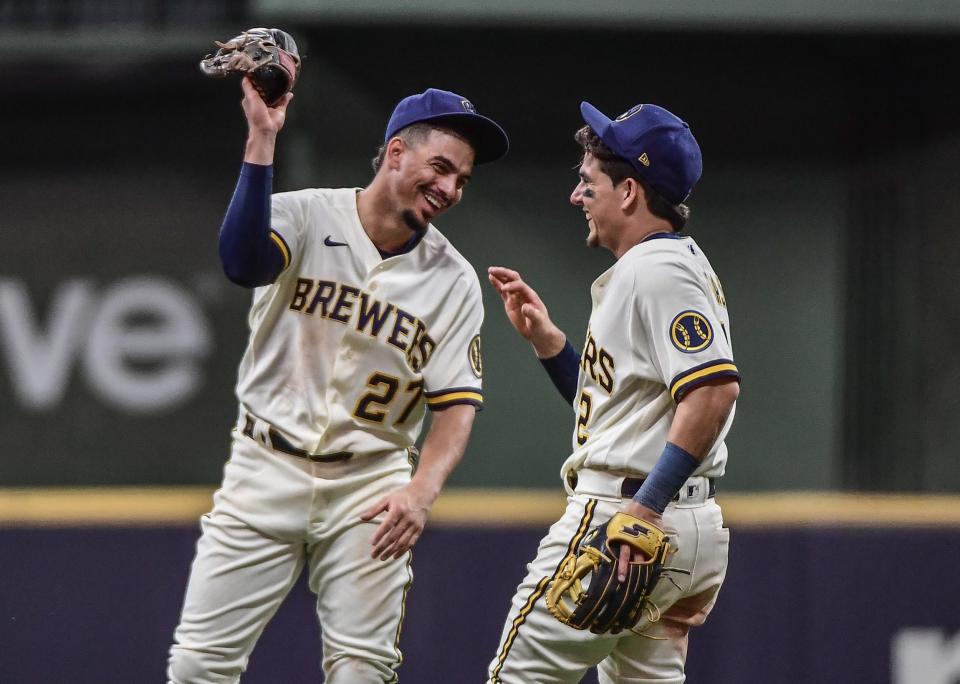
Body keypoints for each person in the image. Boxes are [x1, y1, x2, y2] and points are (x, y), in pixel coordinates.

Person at [167, 77, 508, 683]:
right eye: (441, 167)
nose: (450, 188)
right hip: (264, 465)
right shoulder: (303, 214)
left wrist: (422, 491)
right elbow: (242, 262)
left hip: (370, 484)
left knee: (363, 671)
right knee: (199, 666)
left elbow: (457, 404)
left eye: (462, 179)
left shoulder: (453, 280)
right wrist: (261, 141)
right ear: (395, 153)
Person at [486, 101, 739, 683]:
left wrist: (642, 510)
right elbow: (621, 415)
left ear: (629, 191)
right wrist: (552, 347)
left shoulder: (658, 270)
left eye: (588, 181)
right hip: (676, 518)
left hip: (628, 515)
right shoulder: (667, 265)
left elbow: (714, 392)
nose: (578, 196)